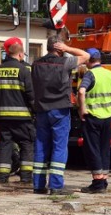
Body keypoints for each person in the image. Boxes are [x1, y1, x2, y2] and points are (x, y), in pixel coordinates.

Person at [31, 34, 90, 195]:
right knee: (59, 146)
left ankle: (38, 185)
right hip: (59, 110)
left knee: (41, 146)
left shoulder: (36, 63)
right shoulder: (65, 63)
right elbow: (86, 56)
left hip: (42, 109)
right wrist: (68, 49)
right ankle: (56, 186)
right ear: (59, 48)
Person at [77, 48, 111, 193]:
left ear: (88, 60)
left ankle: (97, 183)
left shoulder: (90, 74)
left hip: (92, 117)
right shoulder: (110, 74)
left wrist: (82, 109)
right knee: (104, 149)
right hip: (107, 117)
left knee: (92, 149)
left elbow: (81, 91)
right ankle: (104, 180)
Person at [0, 37, 35, 184]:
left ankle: (2, 178)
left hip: (2, 117)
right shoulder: (24, 70)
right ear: (20, 54)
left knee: (4, 146)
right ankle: (26, 178)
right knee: (26, 144)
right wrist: (35, 113)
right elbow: (31, 96)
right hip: (23, 118)